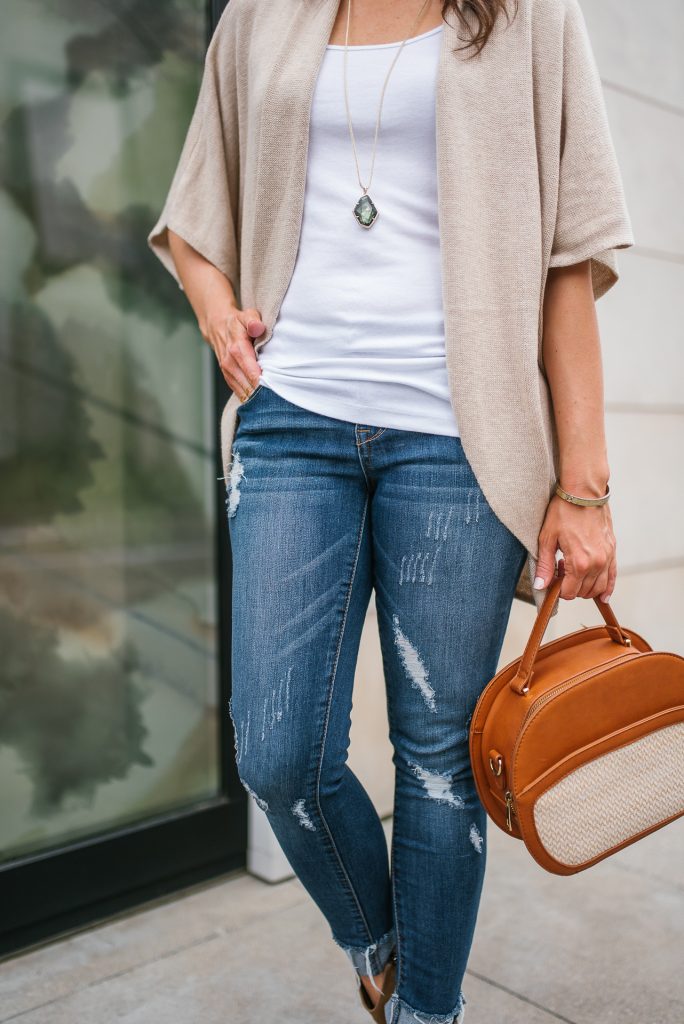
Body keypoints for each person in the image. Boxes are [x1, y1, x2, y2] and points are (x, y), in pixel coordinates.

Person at [147, 1, 634, 1021]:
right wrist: (215, 311)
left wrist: (582, 486)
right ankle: (385, 954)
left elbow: (568, 262)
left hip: (462, 441)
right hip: (292, 425)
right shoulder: (261, 20)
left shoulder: (531, 19)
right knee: (278, 756)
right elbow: (195, 215)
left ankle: (428, 1012)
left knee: (440, 762)